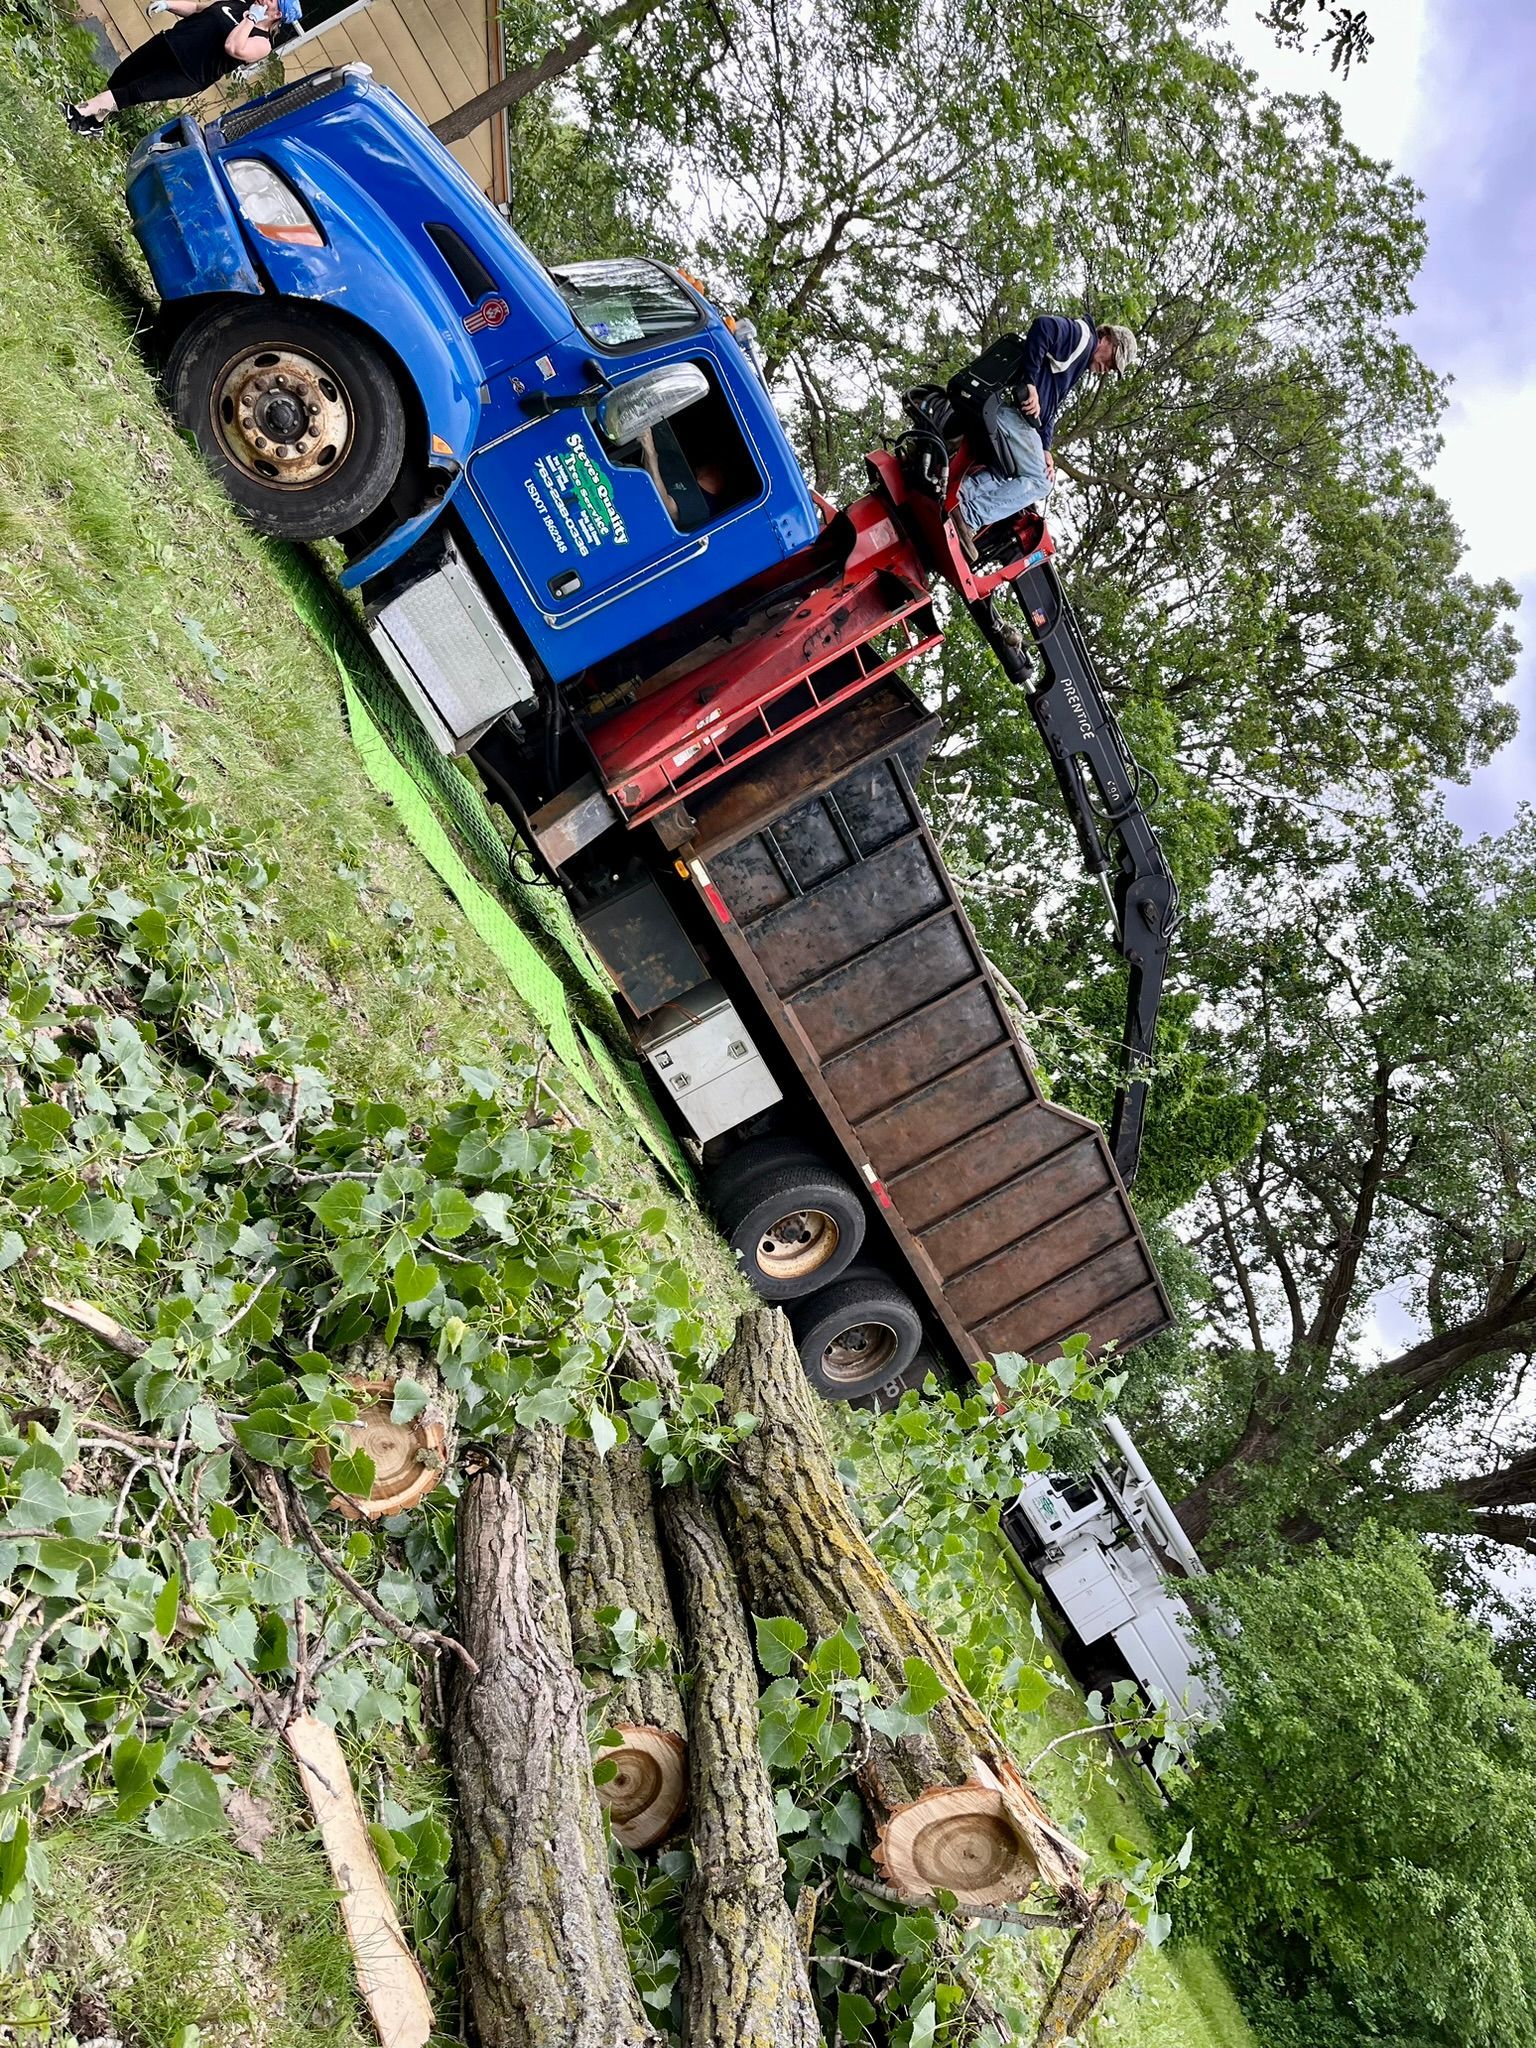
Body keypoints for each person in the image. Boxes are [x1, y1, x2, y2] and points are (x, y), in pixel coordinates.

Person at [951, 315, 1138, 555]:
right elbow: (1043, 326)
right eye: (1113, 362)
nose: (1108, 370)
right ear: (1108, 339)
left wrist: (1045, 449)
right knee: (1041, 482)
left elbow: (1049, 411)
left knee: (1008, 473)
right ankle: (969, 515)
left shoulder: (1077, 363)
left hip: (1013, 417)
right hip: (1009, 411)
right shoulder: (1082, 336)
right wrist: (1029, 382)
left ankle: (960, 496)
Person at [64, 0, 300, 138]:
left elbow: (233, 47)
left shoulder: (262, 42)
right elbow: (199, 8)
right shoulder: (238, 4)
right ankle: (95, 123)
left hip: (188, 73)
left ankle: (77, 112)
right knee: (121, 78)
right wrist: (168, 4)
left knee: (136, 91)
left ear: (277, 14)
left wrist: (251, 20)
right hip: (170, 43)